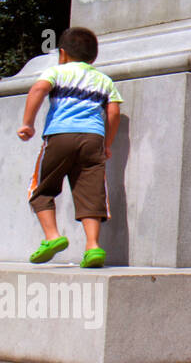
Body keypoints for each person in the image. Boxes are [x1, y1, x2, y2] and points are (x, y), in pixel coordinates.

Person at [17, 27, 122, 268]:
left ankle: (53, 237)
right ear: (93, 58)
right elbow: (113, 111)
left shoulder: (56, 71)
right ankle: (93, 246)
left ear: (62, 54)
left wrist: (27, 123)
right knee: (92, 193)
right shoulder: (104, 80)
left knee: (41, 189)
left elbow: (38, 89)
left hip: (59, 135)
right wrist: (107, 144)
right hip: (92, 139)